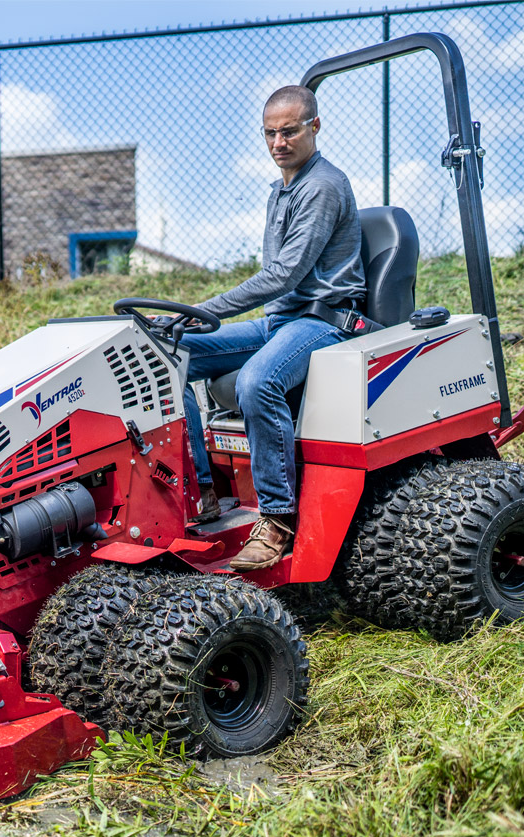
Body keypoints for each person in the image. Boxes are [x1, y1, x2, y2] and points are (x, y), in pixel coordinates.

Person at [180, 84, 366, 571]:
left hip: (324, 321)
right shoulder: (281, 188)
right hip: (283, 321)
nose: (278, 142)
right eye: (270, 133)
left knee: (257, 381)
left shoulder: (323, 186)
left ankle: (278, 519)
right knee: (169, 356)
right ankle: (200, 492)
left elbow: (285, 274)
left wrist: (205, 308)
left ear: (315, 127)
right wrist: (183, 321)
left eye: (289, 131)